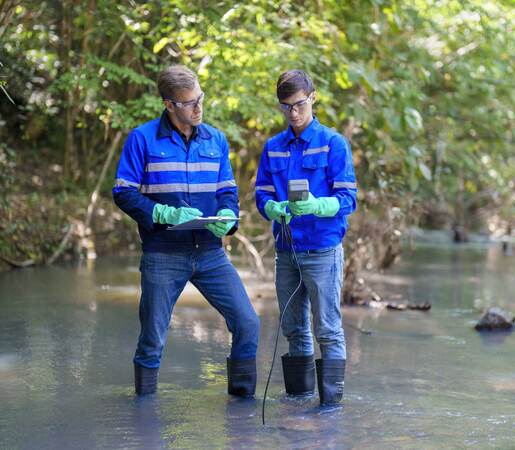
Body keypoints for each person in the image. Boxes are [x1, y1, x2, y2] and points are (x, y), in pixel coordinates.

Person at [112, 65, 259, 397]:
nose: (198, 107)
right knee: (153, 336)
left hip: (210, 253)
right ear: (169, 104)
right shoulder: (143, 139)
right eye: (189, 102)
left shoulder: (216, 140)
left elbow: (227, 191)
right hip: (163, 254)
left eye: (200, 99)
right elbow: (123, 192)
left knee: (248, 323)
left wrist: (228, 215)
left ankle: (242, 412)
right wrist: (162, 213)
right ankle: (143, 420)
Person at [255, 70, 357, 406]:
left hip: (323, 250)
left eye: (299, 104)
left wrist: (317, 205)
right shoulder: (273, 148)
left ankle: (330, 408)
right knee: (294, 330)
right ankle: (298, 403)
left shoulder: (333, 143)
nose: (293, 112)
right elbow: (262, 195)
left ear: (312, 97)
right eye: (286, 107)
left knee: (327, 329)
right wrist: (273, 208)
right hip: (286, 251)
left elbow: (348, 200)